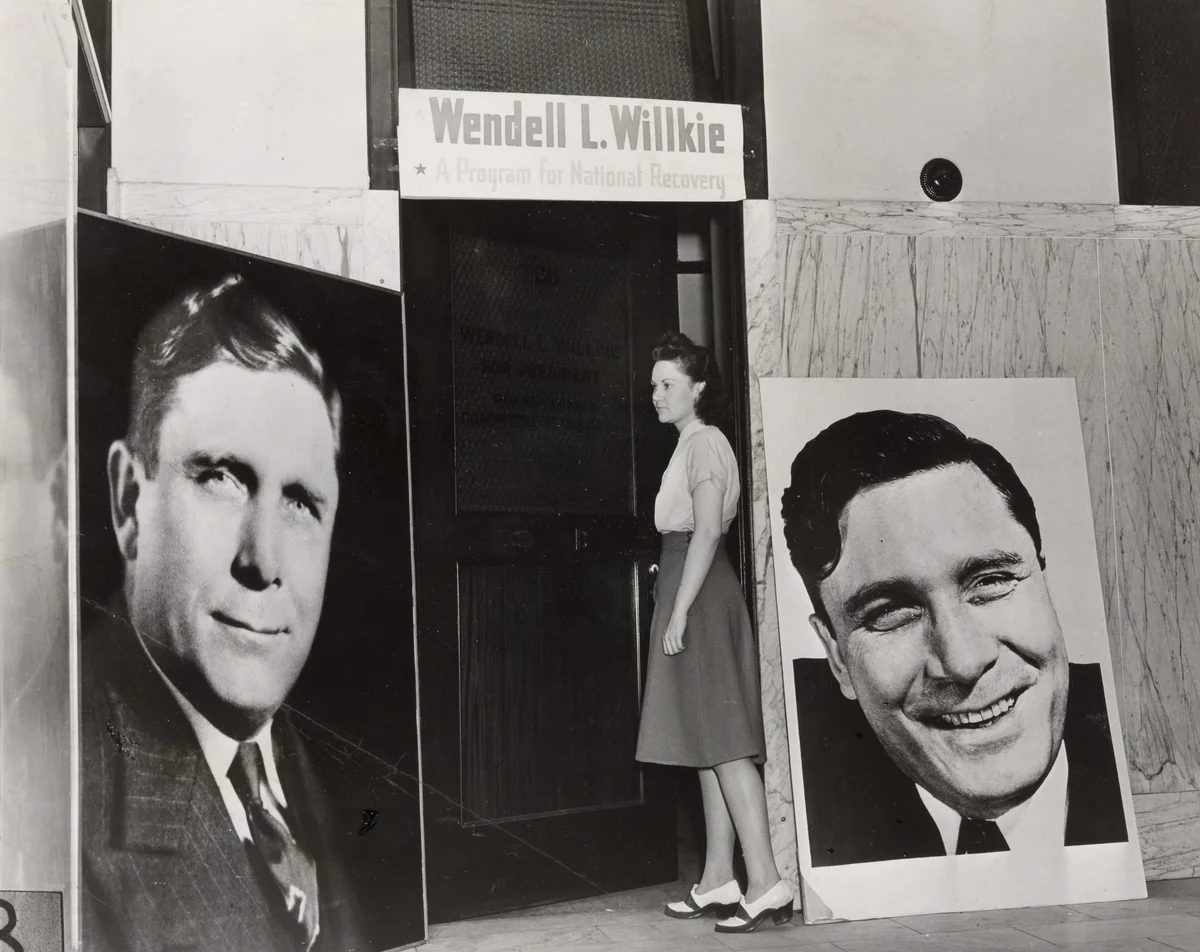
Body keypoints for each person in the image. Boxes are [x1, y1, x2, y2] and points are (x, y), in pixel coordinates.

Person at [81, 275, 369, 951]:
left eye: (301, 503)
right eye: (221, 478)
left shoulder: (315, 772)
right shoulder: (60, 799)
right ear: (128, 501)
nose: (262, 561)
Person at [779, 409, 1128, 866]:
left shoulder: (1135, 730)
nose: (964, 661)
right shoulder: (790, 779)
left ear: (1046, 583)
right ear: (837, 658)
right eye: (891, 612)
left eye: (991, 581)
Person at [635, 332, 792, 933]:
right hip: (691, 584)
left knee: (723, 743)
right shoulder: (690, 445)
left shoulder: (703, 443)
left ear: (698, 388)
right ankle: (718, 878)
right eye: (653, 385)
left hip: (697, 590)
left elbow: (704, 532)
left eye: (668, 384)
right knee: (705, 741)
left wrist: (678, 611)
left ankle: (767, 881)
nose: (657, 394)